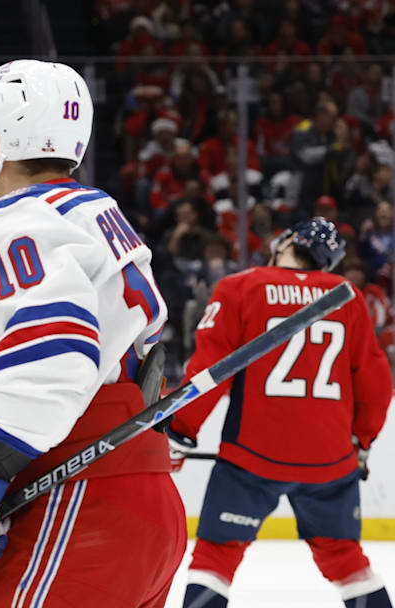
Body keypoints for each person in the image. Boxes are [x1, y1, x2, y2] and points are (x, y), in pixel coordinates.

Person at [0, 59, 185, 606]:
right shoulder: (94, 211)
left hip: (76, 497)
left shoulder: (9, 228)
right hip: (145, 496)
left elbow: (55, 350)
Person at [167, 218, 393, 608]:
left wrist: (181, 430)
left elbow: (209, 371)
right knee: (345, 560)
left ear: (285, 240)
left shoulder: (241, 286)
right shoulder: (347, 296)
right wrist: (363, 442)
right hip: (331, 460)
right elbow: (376, 384)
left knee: (216, 555)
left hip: (252, 458)